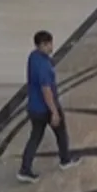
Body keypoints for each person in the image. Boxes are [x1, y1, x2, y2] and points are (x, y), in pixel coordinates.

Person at [18, 30, 82, 183]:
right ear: (42, 45)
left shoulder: (33, 57)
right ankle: (65, 160)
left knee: (35, 138)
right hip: (46, 108)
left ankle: (24, 169)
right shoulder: (44, 66)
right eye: (49, 44)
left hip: (33, 107)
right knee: (61, 132)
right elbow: (46, 90)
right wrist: (54, 111)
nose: (51, 47)